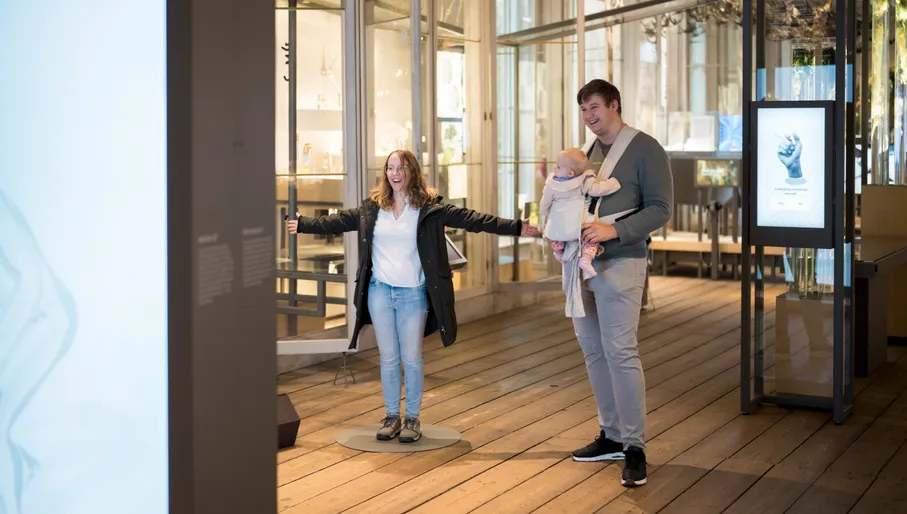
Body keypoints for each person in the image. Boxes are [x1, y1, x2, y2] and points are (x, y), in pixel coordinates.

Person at [285, 149, 538, 444]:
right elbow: (338, 221)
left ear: (412, 172)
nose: (395, 173)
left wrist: (515, 227)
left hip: (413, 294)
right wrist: (303, 224)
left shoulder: (430, 209)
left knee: (412, 358)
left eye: (401, 168)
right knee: (388, 358)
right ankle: (392, 416)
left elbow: (473, 220)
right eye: (390, 168)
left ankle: (413, 419)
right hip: (379, 292)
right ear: (385, 173)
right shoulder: (372, 208)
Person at [567, 79, 673, 488]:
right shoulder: (586, 152)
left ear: (615, 104)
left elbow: (661, 208)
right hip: (580, 265)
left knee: (621, 352)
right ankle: (611, 435)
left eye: (594, 107)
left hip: (622, 262)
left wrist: (614, 231)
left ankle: (634, 447)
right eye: (583, 109)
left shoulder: (645, 148)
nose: (589, 116)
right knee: (594, 353)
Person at [540, 147, 621, 279]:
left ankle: (566, 255)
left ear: (570, 173)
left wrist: (544, 213)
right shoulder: (583, 181)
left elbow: (545, 202)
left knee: (556, 233)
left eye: (558, 167)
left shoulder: (553, 184)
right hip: (575, 223)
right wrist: (613, 184)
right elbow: (597, 189)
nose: (554, 168)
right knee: (588, 238)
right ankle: (584, 258)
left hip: (564, 223)